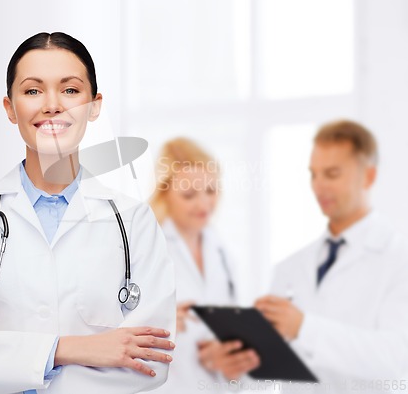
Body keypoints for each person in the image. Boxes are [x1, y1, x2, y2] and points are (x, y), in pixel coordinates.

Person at [0, 32, 176, 394]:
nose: (52, 105)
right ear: (10, 108)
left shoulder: (133, 222)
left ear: (94, 105)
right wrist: (72, 349)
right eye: (33, 91)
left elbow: (150, 360)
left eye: (70, 90)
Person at [255, 120, 408, 393]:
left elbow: (396, 359)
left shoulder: (398, 259)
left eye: (332, 174)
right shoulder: (290, 267)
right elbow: (270, 367)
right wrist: (240, 360)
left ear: (368, 177)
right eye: (313, 174)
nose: (319, 186)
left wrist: (305, 328)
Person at [149, 138, 260, 394]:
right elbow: (116, 332)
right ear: (165, 192)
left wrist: (225, 359)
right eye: (189, 195)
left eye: (211, 191)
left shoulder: (222, 253)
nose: (204, 205)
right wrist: (160, 320)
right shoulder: (145, 248)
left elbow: (226, 337)